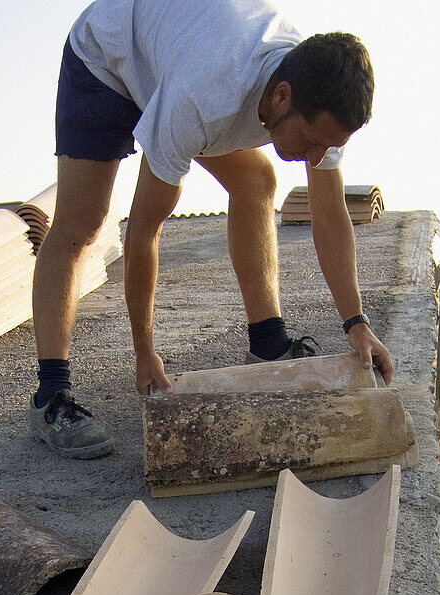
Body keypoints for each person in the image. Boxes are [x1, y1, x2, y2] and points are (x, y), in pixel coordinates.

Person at [28, 0, 394, 459]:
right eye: (312, 143)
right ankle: (50, 396)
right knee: (82, 225)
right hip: (106, 56)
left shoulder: (321, 98)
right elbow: (144, 230)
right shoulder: (202, 98)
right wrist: (145, 353)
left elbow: (329, 212)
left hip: (180, 53)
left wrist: (356, 323)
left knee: (257, 180)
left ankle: (267, 342)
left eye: (330, 146)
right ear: (281, 96)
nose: (317, 157)